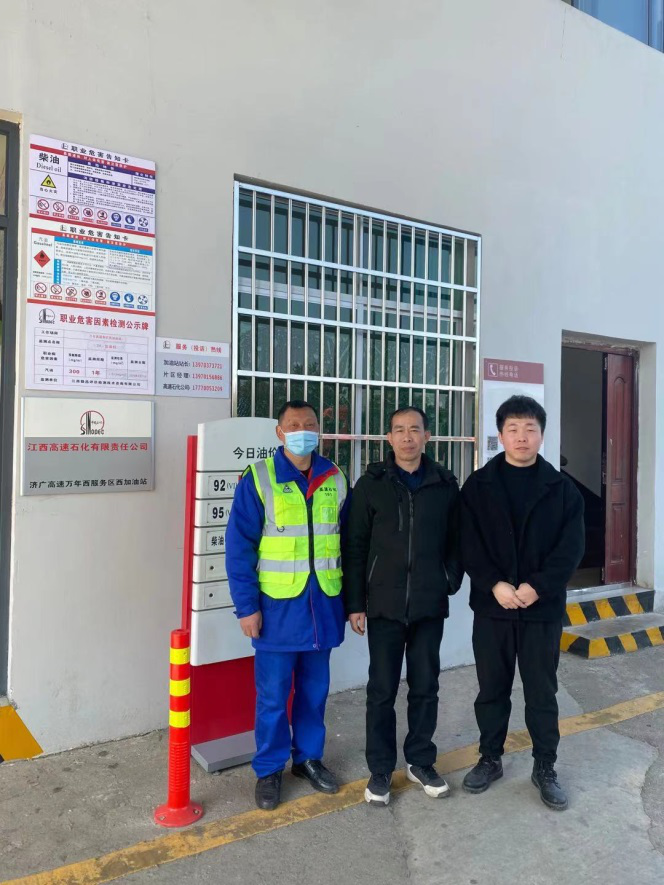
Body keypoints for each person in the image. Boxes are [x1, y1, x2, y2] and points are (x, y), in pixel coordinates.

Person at [460, 395, 584, 810]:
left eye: (530, 429)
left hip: (540, 610)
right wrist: (493, 583)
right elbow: (468, 542)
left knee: (541, 692)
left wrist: (538, 587)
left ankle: (545, 765)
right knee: (491, 689)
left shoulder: (562, 490)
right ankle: (490, 758)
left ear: (541, 435)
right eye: (513, 429)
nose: (522, 437)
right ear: (500, 435)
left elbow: (570, 550)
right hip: (492, 608)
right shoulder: (478, 486)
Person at [225, 400, 350, 811]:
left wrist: (353, 603)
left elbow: (349, 544)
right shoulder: (259, 478)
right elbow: (239, 548)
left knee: (314, 694)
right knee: (273, 698)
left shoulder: (335, 477)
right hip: (277, 612)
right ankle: (269, 769)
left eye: (309, 424)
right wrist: (246, 608)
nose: (302, 430)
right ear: (279, 433)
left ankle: (308, 759)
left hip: (323, 609)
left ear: (319, 431)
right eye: (293, 425)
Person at [345, 407, 462, 807]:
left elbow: (457, 540)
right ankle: (380, 768)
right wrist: (355, 603)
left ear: (427, 436)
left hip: (429, 604)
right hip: (384, 604)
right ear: (389, 438)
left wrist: (448, 580)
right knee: (381, 689)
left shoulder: (444, 483)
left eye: (415, 429)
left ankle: (420, 760)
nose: (407, 437)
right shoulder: (372, 484)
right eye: (399, 430)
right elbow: (355, 545)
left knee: (426, 685)